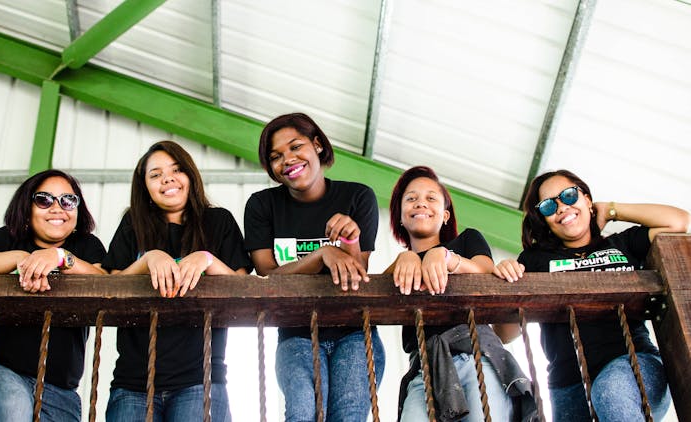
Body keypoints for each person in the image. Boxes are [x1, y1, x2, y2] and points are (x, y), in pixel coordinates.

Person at [494, 169, 690, 422]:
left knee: (610, 391)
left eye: (568, 195)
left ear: (586, 199)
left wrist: (611, 209)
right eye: (548, 205)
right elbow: (505, 334)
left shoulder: (622, 243)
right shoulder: (535, 259)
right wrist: (509, 283)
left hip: (632, 362)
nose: (561, 207)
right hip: (568, 384)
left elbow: (680, 222)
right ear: (543, 219)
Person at [244, 112, 385, 421]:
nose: (288, 159)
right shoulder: (262, 205)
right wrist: (320, 255)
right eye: (276, 156)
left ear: (318, 145)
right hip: (295, 333)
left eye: (296, 146)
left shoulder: (357, 196)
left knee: (348, 416)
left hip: (354, 333)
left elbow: (356, 270)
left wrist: (349, 241)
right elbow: (266, 273)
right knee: (302, 412)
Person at [102, 140, 251, 422]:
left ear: (190, 177)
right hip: (133, 381)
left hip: (202, 378)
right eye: (155, 174)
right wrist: (149, 258)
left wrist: (207, 258)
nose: (167, 178)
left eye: (176, 169)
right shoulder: (133, 223)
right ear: (144, 187)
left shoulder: (218, 221)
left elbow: (242, 287)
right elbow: (111, 284)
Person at [388, 166, 537, 422]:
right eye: (411, 198)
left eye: (431, 198)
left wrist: (446, 257)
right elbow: (379, 288)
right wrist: (408, 256)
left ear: (445, 215)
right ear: (400, 217)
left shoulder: (467, 240)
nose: (421, 203)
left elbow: (488, 277)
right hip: (423, 367)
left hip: (474, 355)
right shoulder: (401, 264)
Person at [0, 169, 106, 422]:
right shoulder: (10, 238)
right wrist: (20, 258)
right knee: (15, 412)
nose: (57, 208)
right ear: (27, 208)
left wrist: (61, 258)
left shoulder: (86, 245)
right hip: (0, 371)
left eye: (68, 200)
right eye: (44, 199)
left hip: (61, 392)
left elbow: (106, 282)